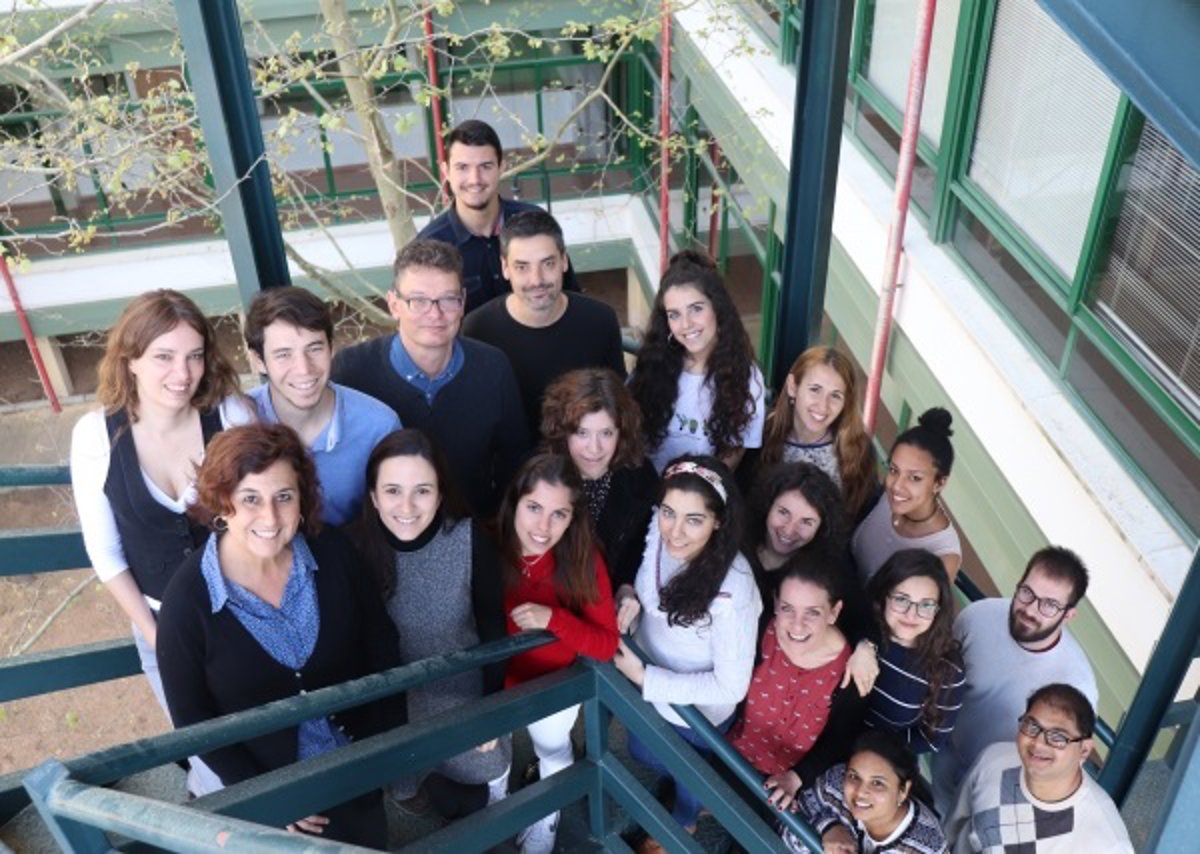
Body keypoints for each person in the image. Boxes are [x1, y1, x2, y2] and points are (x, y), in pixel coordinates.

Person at [156, 424, 405, 846]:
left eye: (284, 497)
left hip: (358, 767)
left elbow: (381, 642)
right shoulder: (187, 602)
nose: (270, 518)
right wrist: (267, 796)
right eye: (250, 499)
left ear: (302, 500)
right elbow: (192, 720)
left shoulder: (335, 554)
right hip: (272, 792)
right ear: (222, 501)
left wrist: (381, 745)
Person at [69, 289, 250, 796]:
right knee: (214, 759)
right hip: (160, 621)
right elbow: (105, 553)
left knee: (264, 741)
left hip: (246, 612)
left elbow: (266, 516)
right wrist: (157, 636)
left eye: (194, 356)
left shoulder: (231, 416)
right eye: (164, 357)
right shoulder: (96, 436)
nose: (182, 373)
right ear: (130, 361)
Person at [355, 428, 510, 818]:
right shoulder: (353, 549)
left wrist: (492, 708)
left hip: (461, 694)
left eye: (422, 490)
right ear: (373, 496)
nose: (407, 506)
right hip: (395, 707)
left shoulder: (468, 539)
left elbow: (493, 626)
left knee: (486, 781)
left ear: (440, 494)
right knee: (409, 793)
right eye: (392, 491)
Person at [612, 455, 762, 837]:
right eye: (668, 512)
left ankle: (687, 820)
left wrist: (646, 679)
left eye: (694, 520)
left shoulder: (735, 590)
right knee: (642, 750)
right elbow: (644, 574)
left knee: (689, 773)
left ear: (718, 521)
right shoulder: (659, 531)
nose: (674, 532)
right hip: (646, 682)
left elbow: (731, 686)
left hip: (692, 714)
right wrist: (628, 594)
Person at [331, 238, 531, 515]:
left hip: (472, 525)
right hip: (386, 531)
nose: (435, 314)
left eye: (448, 300)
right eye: (419, 301)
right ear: (394, 304)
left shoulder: (493, 367)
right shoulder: (351, 371)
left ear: (462, 302)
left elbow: (516, 461)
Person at [499, 453, 619, 854]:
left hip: (553, 685)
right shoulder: (488, 542)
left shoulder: (582, 558)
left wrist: (553, 618)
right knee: (490, 750)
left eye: (559, 514)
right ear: (515, 502)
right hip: (495, 679)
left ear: (573, 518)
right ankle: (494, 802)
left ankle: (546, 818)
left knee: (551, 749)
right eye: (534, 507)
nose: (543, 527)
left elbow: (606, 642)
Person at [931, 547, 1098, 816]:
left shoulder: (1076, 684)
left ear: (1068, 615)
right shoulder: (977, 617)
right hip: (946, 749)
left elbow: (1063, 762)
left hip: (998, 785)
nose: (1030, 609)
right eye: (1027, 593)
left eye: (1049, 605)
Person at [243, 286, 400, 526]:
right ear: (258, 361)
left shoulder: (379, 426)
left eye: (314, 348)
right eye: (284, 354)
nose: (304, 369)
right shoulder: (235, 422)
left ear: (332, 348)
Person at [462, 209, 626, 434]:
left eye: (548, 264)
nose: (536, 280)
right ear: (505, 268)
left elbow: (617, 407)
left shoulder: (601, 321)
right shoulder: (477, 329)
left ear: (564, 261)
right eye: (522, 267)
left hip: (584, 452)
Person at [727, 554, 866, 814]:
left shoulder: (852, 671)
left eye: (812, 612)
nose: (797, 625)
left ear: (834, 613)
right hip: (727, 753)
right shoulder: (758, 630)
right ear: (775, 603)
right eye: (787, 608)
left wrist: (797, 777)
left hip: (787, 790)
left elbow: (841, 738)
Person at [946, 684, 1133, 853]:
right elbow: (951, 828)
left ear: (1084, 750)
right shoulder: (994, 760)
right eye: (1032, 726)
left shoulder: (1107, 845)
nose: (1038, 743)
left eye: (1058, 737)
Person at [418, 119, 579, 313]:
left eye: (486, 166)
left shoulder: (536, 222)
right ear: (446, 171)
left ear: (501, 168)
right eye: (462, 167)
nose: (475, 179)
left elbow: (571, 299)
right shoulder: (429, 248)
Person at [628, 250, 766, 472]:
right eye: (674, 314)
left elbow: (730, 458)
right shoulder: (651, 366)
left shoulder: (746, 378)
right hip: (646, 486)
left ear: (717, 308)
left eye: (696, 309)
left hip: (703, 489)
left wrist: (690, 491)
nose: (686, 324)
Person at [540, 367, 658, 591]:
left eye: (606, 433)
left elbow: (642, 544)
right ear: (563, 431)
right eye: (582, 433)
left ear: (622, 432)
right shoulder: (537, 473)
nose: (594, 449)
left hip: (610, 598)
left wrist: (626, 585)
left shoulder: (640, 476)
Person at [857, 549, 965, 754]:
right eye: (901, 599)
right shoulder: (860, 623)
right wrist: (863, 644)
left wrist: (870, 748)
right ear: (884, 595)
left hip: (879, 756)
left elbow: (931, 739)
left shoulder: (948, 669)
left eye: (926, 605)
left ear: (939, 609)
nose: (911, 614)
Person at [758, 346, 877, 523]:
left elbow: (860, 515)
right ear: (793, 387)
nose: (823, 405)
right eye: (815, 389)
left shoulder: (859, 450)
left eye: (835, 396)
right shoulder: (762, 433)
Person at [782, 730, 948, 854]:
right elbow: (784, 829)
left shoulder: (928, 848)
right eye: (854, 776)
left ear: (903, 791)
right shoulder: (835, 783)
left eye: (877, 783)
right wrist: (826, 828)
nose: (860, 792)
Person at [851, 407, 961, 583]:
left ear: (939, 483)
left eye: (915, 478)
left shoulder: (944, 555)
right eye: (894, 470)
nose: (896, 486)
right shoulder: (890, 498)